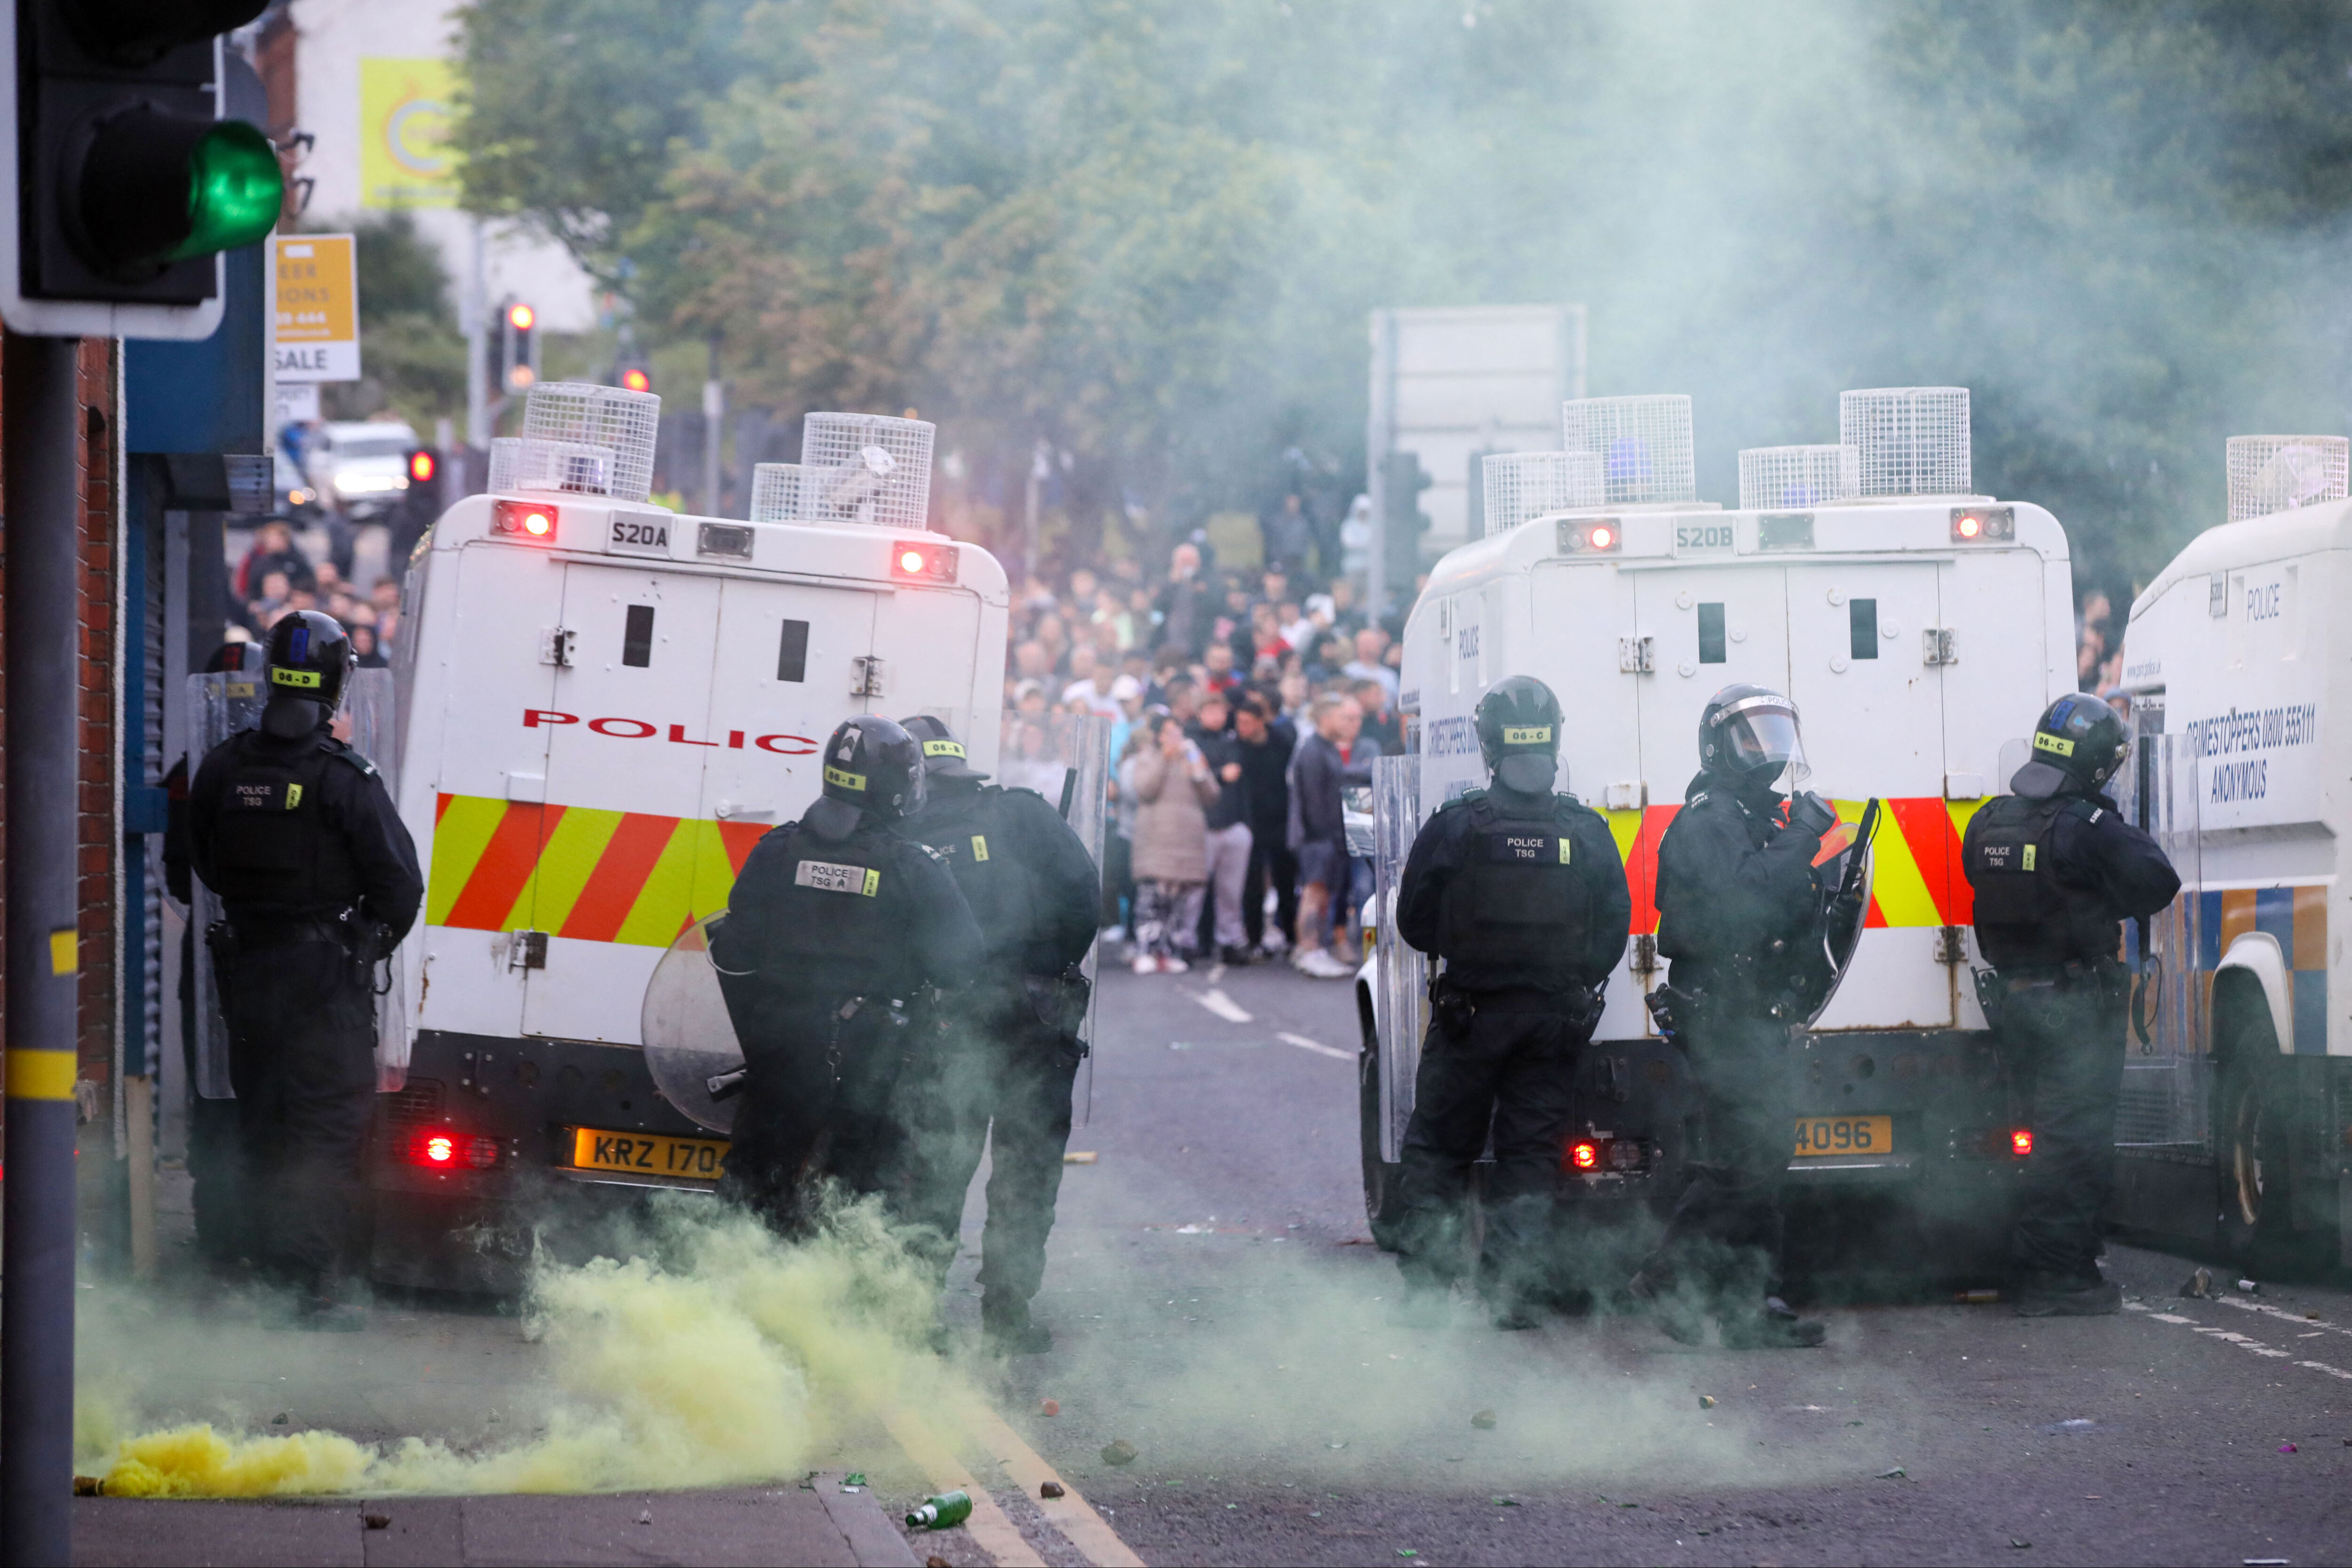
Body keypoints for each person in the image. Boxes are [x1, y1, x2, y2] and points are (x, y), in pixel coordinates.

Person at [187, 612, 422, 1327]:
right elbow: (401, 887)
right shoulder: (345, 778)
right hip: (325, 979)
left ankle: (261, 1270)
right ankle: (309, 1286)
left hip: (250, 974)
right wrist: (359, 945)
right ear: (337, 681)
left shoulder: (223, 767)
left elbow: (201, 859)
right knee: (326, 1126)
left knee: (264, 1117)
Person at [1392, 677, 1630, 1328]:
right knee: (1530, 1154)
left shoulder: (1457, 825)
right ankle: (1512, 1295)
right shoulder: (1584, 828)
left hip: (1471, 1016)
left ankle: (1425, 1295)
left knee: (1442, 1147)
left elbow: (1413, 924)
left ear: (1488, 743)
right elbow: (1614, 929)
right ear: (1553, 739)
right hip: (1552, 1021)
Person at [709, 717, 985, 1234]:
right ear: (897, 786)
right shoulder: (913, 867)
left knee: (751, 1192)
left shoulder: (775, 851)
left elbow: (732, 954)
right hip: (870, 1070)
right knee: (855, 1203)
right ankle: (834, 1307)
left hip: (778, 1061)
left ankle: (733, 1298)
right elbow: (962, 964)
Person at [1631, 684, 1837, 1349]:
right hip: (1723, 1015)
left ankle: (1754, 1302)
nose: (1769, 752)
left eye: (1778, 734)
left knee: (1764, 1158)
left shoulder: (1756, 818)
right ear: (1719, 746)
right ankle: (1664, 1278)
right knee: (1743, 1162)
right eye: (1753, 737)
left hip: (1757, 1012)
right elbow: (1745, 899)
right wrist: (1806, 835)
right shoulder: (1709, 819)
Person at [1963, 693, 2178, 1316]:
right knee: (2073, 1144)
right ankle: (2057, 1278)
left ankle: (2044, 1264)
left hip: (2013, 1005)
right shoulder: (2088, 827)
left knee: (2032, 1137)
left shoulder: (1989, 821)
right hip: (2075, 1010)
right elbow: (2158, 880)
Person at [892, 716, 1100, 1352]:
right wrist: (1046, 972)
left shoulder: (902, 833)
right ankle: (1008, 1317)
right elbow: (1085, 899)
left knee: (935, 1168)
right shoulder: (1024, 813)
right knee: (1027, 1168)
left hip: (948, 1022)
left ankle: (917, 1316)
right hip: (1038, 1016)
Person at [1286, 693, 1372, 978]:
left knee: (1323, 896)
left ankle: (1316, 950)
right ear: (1325, 719)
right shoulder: (1312, 751)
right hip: (1317, 838)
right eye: (1340, 717)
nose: (1345, 723)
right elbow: (1312, 801)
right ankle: (1308, 950)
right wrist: (1324, 836)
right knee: (1314, 893)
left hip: (1330, 836)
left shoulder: (1327, 749)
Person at [1128, 712, 1219, 973]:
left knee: (1178, 903)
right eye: (1169, 733)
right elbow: (1144, 789)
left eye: (1178, 732)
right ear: (1158, 736)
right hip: (1157, 840)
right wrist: (1164, 759)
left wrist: (1199, 773)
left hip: (1187, 841)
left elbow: (1212, 795)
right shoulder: (1148, 758)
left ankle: (1169, 952)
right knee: (1151, 900)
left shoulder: (1191, 756)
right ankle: (1145, 950)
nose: (1176, 738)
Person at [1188, 690, 1255, 963]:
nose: (1216, 716)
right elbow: (1197, 777)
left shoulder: (1233, 742)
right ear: (1200, 713)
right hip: (1203, 825)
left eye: (1220, 711)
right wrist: (1219, 774)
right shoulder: (1190, 742)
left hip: (1233, 824)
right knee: (1194, 890)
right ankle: (1187, 941)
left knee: (1231, 891)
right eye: (1210, 711)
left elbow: (1241, 781)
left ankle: (1230, 940)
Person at [1235, 694, 1299, 957]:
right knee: (1252, 885)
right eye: (1239, 722)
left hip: (1281, 822)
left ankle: (1290, 937)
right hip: (1251, 824)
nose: (1242, 728)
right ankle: (1254, 939)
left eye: (1247, 722)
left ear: (1261, 722)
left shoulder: (1282, 743)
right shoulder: (1238, 748)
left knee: (1286, 882)